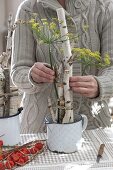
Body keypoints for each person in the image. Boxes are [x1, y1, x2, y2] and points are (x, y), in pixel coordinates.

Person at [11, 0, 113, 133]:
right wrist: (32, 76)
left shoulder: (105, 7)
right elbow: (18, 71)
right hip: (41, 130)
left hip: (94, 127)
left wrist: (101, 85)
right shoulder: (28, 9)